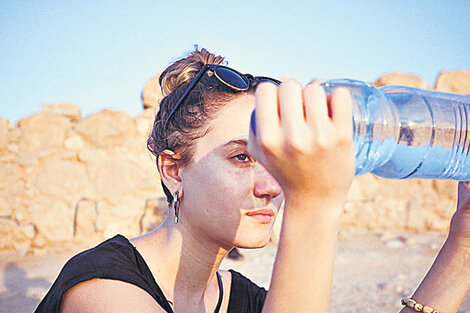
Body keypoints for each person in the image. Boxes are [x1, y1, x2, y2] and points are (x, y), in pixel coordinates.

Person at [36, 47, 470, 313]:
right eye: (242, 156)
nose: (273, 185)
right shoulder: (101, 289)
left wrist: (463, 245)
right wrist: (314, 206)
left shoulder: (247, 301)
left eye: (272, 160)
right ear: (173, 170)